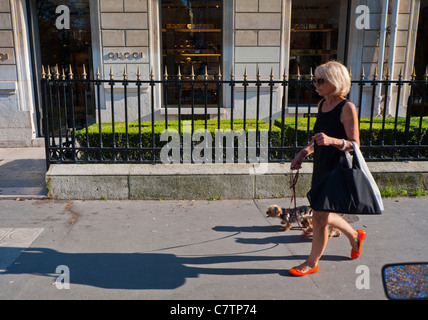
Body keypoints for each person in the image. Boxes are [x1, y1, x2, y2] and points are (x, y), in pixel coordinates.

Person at [289, 61, 366, 277]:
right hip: (321, 166)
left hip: (336, 168)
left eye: (321, 80)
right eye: (314, 80)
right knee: (321, 211)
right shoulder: (322, 105)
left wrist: (332, 141)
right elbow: (318, 139)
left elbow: (355, 144)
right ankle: (354, 235)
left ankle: (311, 262)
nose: (315, 84)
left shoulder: (347, 107)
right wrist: (303, 153)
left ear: (336, 81)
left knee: (320, 217)